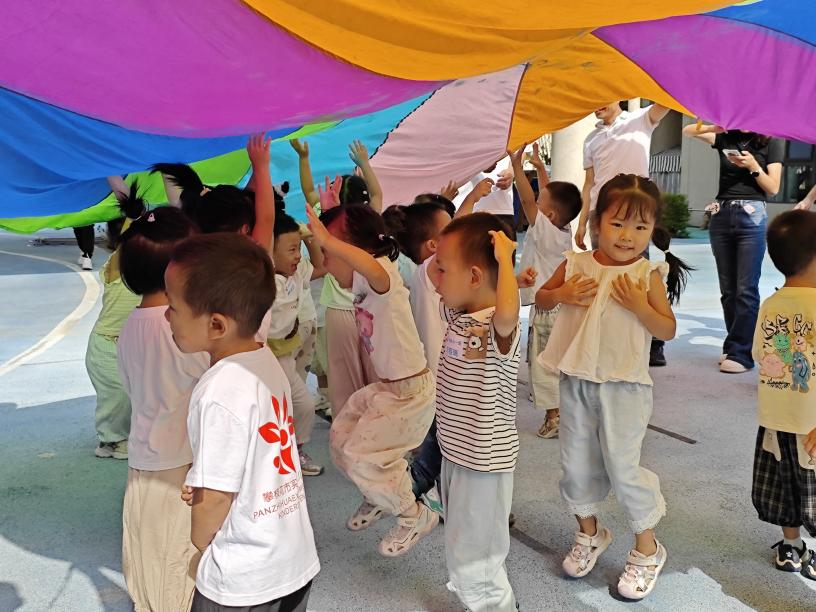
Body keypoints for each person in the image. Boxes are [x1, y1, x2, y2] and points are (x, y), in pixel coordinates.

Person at [538, 174, 692, 600]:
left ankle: (648, 549)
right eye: (618, 223)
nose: (628, 236)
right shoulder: (575, 263)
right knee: (575, 463)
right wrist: (563, 292)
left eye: (640, 227)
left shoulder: (646, 274)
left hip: (624, 388)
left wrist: (641, 306)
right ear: (597, 222)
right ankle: (590, 533)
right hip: (576, 381)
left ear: (652, 229)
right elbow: (542, 298)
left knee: (624, 468)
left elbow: (667, 329)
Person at [168, 233, 320, 610]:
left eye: (173, 306)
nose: (167, 316)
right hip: (292, 560)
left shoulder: (218, 391)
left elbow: (215, 501)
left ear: (216, 326)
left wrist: (201, 541)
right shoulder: (263, 359)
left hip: (242, 578)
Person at [305, 203, 438, 557]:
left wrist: (330, 241)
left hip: (409, 394)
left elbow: (367, 263)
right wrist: (330, 214)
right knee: (341, 439)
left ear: (355, 251)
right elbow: (354, 257)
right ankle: (377, 495)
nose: (324, 261)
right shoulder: (363, 282)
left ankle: (414, 514)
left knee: (363, 457)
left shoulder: (383, 276)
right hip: (386, 388)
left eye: (328, 251)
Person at [428, 212, 521, 611]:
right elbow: (433, 275)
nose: (436, 276)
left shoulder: (496, 326)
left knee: (478, 559)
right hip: (457, 454)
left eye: (444, 269)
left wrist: (504, 263)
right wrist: (444, 250)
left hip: (484, 462)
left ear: (475, 277)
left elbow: (508, 312)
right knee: (463, 543)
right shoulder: (460, 315)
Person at [116, 206, 207, 612]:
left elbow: (132, 387)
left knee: (147, 552)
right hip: (181, 464)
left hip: (144, 458)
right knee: (178, 560)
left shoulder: (130, 325)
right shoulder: (181, 328)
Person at [290, 139, 381, 417]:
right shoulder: (367, 223)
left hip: (335, 310)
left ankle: (342, 412)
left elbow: (308, 191)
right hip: (367, 308)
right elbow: (377, 195)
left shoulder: (327, 220)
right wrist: (365, 163)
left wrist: (304, 157)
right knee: (371, 365)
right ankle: (370, 410)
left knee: (339, 369)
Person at [683, 123, 784, 373]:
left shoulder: (772, 140)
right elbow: (688, 131)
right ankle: (734, 346)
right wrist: (717, 126)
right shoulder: (725, 138)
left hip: (753, 214)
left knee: (746, 289)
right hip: (722, 212)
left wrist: (753, 166)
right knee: (728, 290)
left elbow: (773, 187)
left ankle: (741, 353)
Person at [577, 101, 671, 367]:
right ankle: (607, 334)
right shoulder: (591, 138)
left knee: (640, 277)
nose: (596, 104)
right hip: (602, 217)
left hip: (633, 216)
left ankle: (654, 343)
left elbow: (667, 99)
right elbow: (589, 184)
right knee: (601, 275)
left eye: (601, 96)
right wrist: (583, 222)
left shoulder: (640, 119)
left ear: (618, 95)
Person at [750, 210, 816, 580]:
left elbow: (761, 354)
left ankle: (791, 546)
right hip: (811, 423)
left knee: (783, 485)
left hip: (775, 421)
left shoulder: (771, 305)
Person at [509, 144, 582, 439]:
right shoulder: (562, 230)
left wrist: (518, 167)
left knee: (543, 363)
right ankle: (568, 412)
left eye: (540, 203)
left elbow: (527, 199)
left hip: (546, 308)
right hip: (561, 307)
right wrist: (540, 168)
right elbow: (549, 199)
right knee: (560, 360)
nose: (534, 204)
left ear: (548, 215)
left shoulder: (544, 230)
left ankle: (554, 418)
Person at [267, 204, 327, 476]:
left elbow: (320, 265)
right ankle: (275, 459)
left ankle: (295, 449)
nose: (297, 255)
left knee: (303, 405)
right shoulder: (262, 281)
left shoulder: (297, 271)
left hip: (287, 356)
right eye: (291, 249)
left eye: (298, 248)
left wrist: (309, 238)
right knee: (273, 411)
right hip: (266, 358)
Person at [87, 183, 145, 460]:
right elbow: (129, 242)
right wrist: (133, 215)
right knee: (116, 395)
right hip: (106, 346)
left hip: (131, 346)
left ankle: (121, 436)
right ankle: (111, 440)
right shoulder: (115, 266)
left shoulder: (147, 273)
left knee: (133, 394)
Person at [455, 157, 516, 237]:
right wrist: (480, 164)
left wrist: (511, 171)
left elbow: (519, 152)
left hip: (502, 208)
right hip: (465, 208)